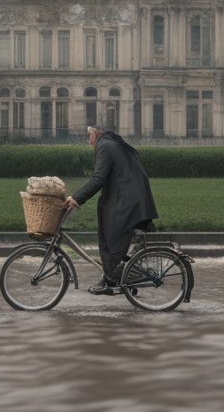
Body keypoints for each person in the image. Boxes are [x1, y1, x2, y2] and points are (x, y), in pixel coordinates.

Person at [64, 126, 158, 295]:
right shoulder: (112, 143)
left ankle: (115, 279)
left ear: (96, 132)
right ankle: (112, 278)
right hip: (129, 197)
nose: (88, 141)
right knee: (107, 236)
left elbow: (99, 178)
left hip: (125, 199)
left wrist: (77, 197)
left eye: (89, 135)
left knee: (109, 240)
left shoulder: (105, 145)